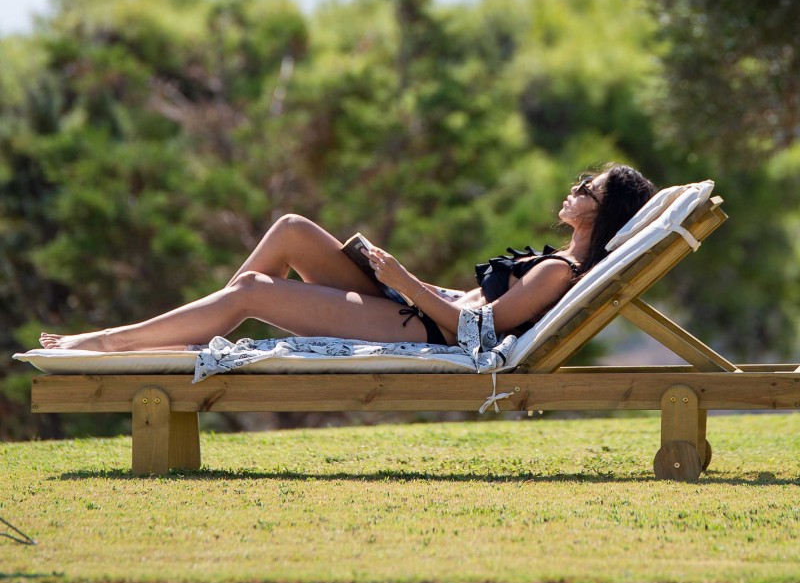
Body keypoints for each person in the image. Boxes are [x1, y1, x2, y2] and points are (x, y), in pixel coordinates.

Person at [39, 164, 656, 352]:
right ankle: (196, 331)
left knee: (254, 289)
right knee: (291, 229)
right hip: (415, 305)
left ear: (601, 214)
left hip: (420, 329)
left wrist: (399, 278)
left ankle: (109, 342)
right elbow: (474, 303)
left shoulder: (557, 272)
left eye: (588, 188)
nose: (575, 189)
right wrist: (399, 277)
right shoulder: (553, 261)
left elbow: (480, 332)